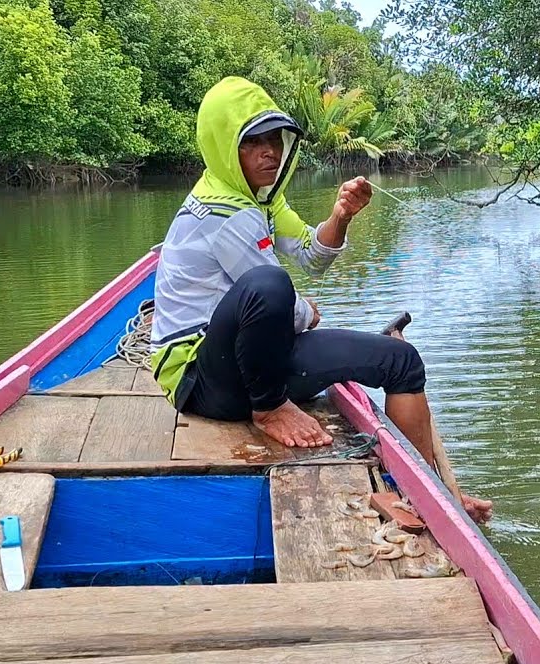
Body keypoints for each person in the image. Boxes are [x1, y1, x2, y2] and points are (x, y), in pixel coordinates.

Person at [148, 76, 493, 523]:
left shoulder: (263, 202)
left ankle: (432, 494)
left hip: (251, 361)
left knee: (401, 363)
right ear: (222, 146)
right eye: (253, 143)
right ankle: (270, 409)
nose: (269, 152)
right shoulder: (221, 211)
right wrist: (303, 310)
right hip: (202, 380)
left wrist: (341, 216)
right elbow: (278, 302)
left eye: (275, 140)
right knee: (271, 287)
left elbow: (312, 256)